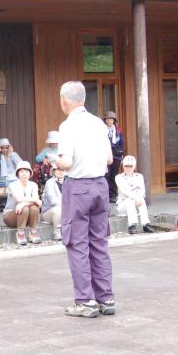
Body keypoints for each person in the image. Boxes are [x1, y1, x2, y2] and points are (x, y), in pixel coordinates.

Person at [56, 80, 114, 319]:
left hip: (78, 187)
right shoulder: (98, 123)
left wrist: (55, 162)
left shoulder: (68, 126)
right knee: (99, 241)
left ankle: (85, 301)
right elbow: (110, 159)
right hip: (101, 185)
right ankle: (106, 298)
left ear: (64, 101)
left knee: (77, 243)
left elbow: (66, 162)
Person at [3, 161, 42, 246]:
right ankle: (20, 233)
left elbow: (38, 202)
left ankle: (33, 232)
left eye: (27, 171)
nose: (24, 174)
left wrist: (23, 204)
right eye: (22, 171)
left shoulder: (33, 185)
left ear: (30, 173)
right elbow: (19, 199)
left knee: (34, 208)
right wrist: (31, 201)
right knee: (25, 208)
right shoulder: (12, 185)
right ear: (17, 174)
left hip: (26, 215)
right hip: (11, 216)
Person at [115, 155, 156, 234]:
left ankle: (146, 224)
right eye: (126, 166)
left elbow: (142, 190)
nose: (128, 168)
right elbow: (125, 191)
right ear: (123, 167)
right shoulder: (119, 177)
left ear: (134, 167)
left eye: (130, 166)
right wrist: (136, 198)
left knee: (142, 199)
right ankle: (132, 225)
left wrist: (139, 198)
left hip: (136, 204)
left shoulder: (139, 176)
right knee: (130, 200)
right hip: (123, 206)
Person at [103, 111, 124, 203]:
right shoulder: (101, 129)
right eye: (108, 119)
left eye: (111, 119)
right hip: (106, 155)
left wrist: (121, 152)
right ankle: (105, 195)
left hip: (116, 155)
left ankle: (113, 195)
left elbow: (122, 142)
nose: (110, 121)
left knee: (114, 176)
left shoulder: (118, 130)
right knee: (106, 175)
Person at [41, 164, 64, 241]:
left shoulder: (69, 181)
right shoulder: (49, 183)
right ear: (53, 171)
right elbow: (53, 200)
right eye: (57, 169)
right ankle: (57, 232)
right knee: (58, 209)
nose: (59, 171)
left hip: (66, 210)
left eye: (61, 169)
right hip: (49, 212)